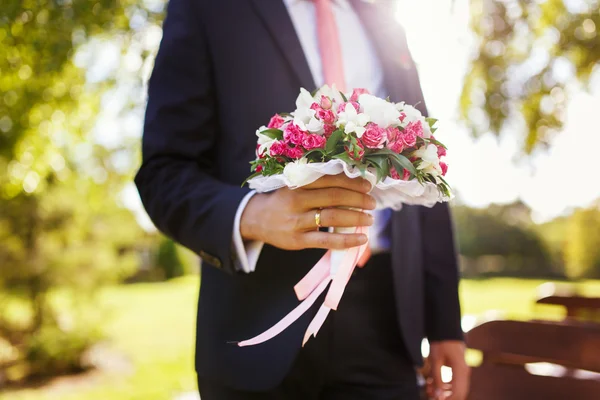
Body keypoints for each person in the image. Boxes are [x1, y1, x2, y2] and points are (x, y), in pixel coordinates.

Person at [135, 0, 469, 399]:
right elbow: (164, 171)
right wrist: (252, 215)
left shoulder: (385, 18)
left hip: (387, 326)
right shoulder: (208, 8)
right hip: (255, 325)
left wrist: (445, 323)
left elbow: (423, 165)